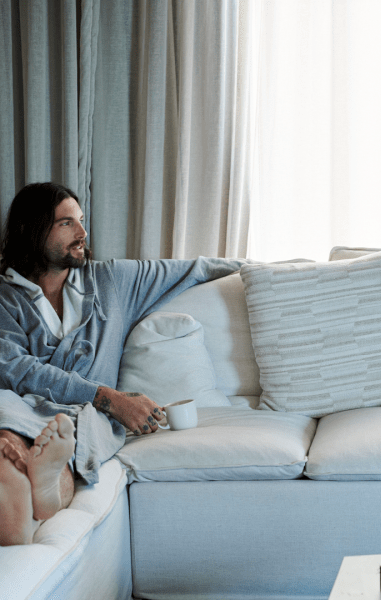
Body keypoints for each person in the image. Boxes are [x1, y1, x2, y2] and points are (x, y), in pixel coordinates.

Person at [0, 182, 251, 545]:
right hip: (26, 403)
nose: (83, 233)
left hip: (84, 415)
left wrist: (277, 271)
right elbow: (14, 369)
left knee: (81, 435)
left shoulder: (112, 281)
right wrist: (109, 397)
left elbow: (195, 268)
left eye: (81, 221)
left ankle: (47, 483)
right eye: (67, 223)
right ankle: (41, 492)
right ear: (31, 230)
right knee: (6, 435)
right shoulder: (6, 297)